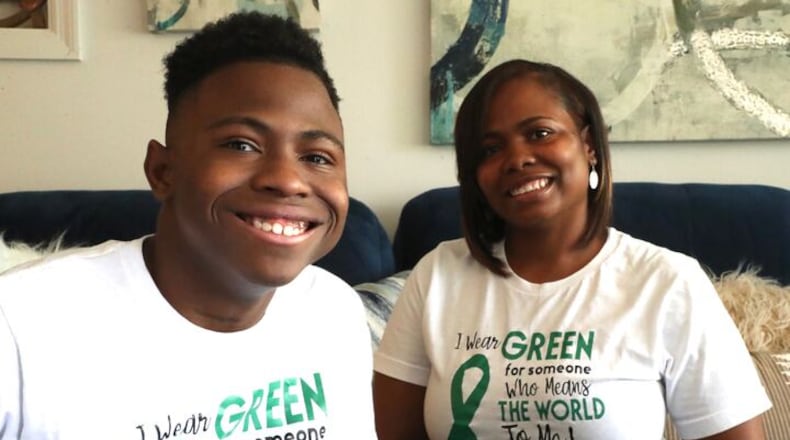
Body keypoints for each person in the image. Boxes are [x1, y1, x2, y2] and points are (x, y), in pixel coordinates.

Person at [0, 12, 377, 440]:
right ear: (162, 172)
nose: (288, 180)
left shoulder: (333, 311)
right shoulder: (20, 324)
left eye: (316, 157)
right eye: (241, 145)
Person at [372, 59, 771, 439]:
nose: (518, 158)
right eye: (490, 149)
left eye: (539, 133)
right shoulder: (438, 275)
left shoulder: (667, 281)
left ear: (589, 145)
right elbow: (392, 434)